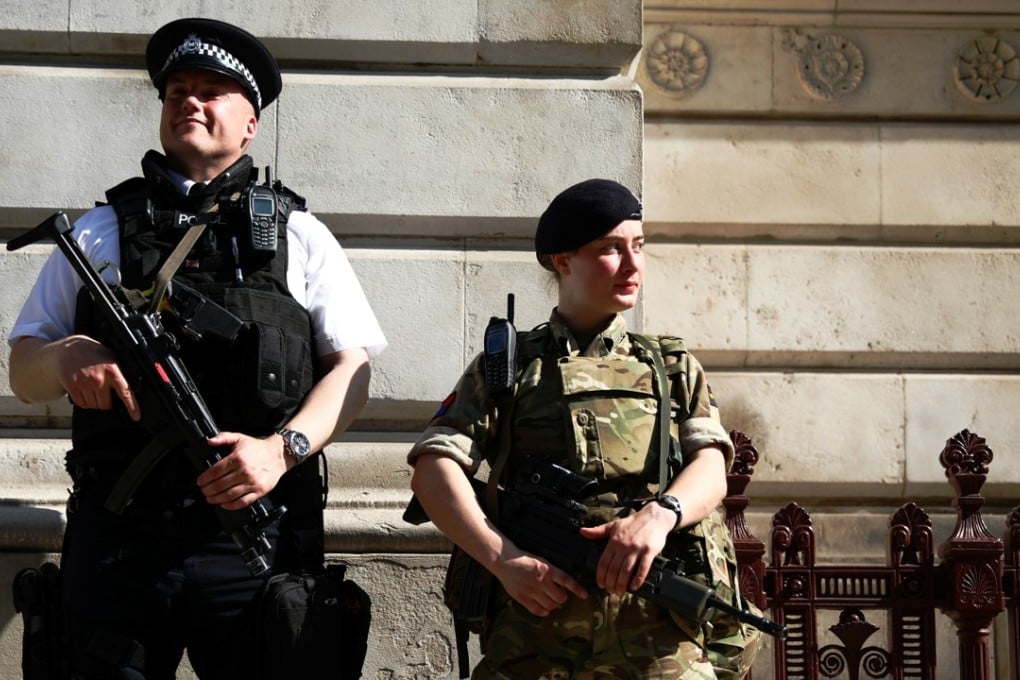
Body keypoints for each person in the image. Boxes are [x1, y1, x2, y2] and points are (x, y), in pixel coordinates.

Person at [7, 17, 386, 680]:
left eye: (213, 90)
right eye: (177, 89)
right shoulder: (98, 234)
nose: (190, 100)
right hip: (121, 543)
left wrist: (281, 451)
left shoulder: (299, 234)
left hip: (254, 542)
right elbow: (23, 371)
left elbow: (352, 370)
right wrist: (68, 357)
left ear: (251, 124)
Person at [407, 178, 760, 679]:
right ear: (563, 260)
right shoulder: (511, 366)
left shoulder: (670, 364)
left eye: (638, 246)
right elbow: (432, 469)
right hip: (537, 638)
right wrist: (504, 562)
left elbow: (711, 466)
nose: (633, 265)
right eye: (610, 249)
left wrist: (660, 516)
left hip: (659, 640)